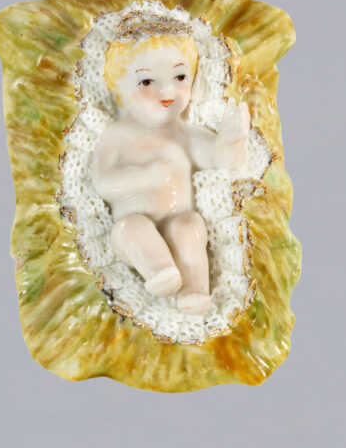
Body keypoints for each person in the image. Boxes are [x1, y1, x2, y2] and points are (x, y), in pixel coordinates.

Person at [91, 17, 250, 315]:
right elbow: (104, 183)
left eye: (180, 77)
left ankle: (195, 290)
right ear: (117, 88)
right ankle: (159, 271)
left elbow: (222, 161)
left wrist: (231, 139)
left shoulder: (183, 134)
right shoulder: (118, 136)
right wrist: (146, 176)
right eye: (147, 82)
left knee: (189, 226)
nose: (167, 92)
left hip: (179, 222)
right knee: (130, 228)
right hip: (134, 234)